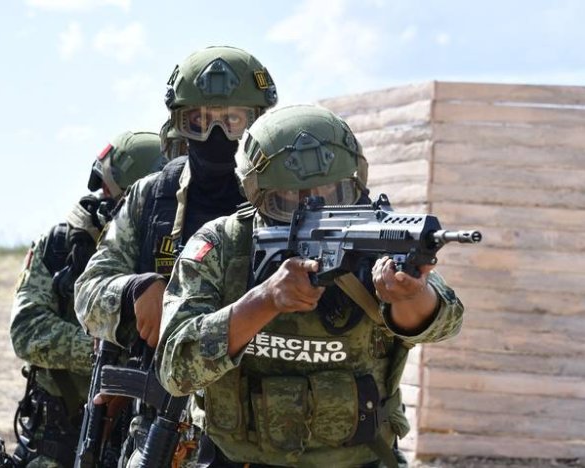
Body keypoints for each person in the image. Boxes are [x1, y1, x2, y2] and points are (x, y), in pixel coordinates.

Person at [156, 104, 465, 468]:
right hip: (237, 458)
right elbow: (175, 370)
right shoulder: (223, 245)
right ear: (259, 195)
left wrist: (411, 297)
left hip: (359, 459)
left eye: (332, 192)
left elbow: (446, 322)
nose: (315, 206)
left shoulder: (377, 235)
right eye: (291, 199)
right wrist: (265, 301)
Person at [73, 45, 278, 467]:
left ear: (259, 123)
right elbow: (87, 295)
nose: (217, 135)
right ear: (180, 124)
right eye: (200, 121)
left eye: (233, 120)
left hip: (263, 431)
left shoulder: (284, 200)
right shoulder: (153, 197)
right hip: (166, 431)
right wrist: (134, 291)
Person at [8, 131, 168, 468]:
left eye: (110, 191)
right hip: (61, 436)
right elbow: (26, 329)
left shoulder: (169, 255)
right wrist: (107, 357)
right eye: (103, 190)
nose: (100, 198)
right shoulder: (60, 247)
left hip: (146, 438)